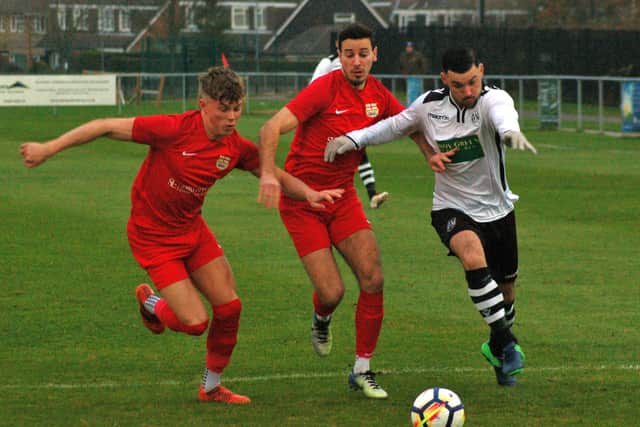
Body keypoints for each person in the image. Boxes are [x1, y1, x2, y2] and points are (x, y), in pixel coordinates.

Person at [20, 67, 343, 404]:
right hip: (153, 237)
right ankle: (150, 302)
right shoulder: (172, 129)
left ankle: (211, 387)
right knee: (194, 323)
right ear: (202, 103)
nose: (232, 117)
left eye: (237, 108)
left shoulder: (234, 147)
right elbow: (104, 126)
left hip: (192, 231)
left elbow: (272, 172)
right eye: (224, 109)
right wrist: (48, 148)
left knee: (230, 307)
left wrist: (309, 193)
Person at [325, 47, 537, 386]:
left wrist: (510, 132)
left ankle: (497, 345)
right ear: (444, 80)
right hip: (451, 207)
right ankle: (509, 343)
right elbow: (392, 126)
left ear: (481, 71)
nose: (467, 91)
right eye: (458, 85)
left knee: (507, 291)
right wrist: (353, 138)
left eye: (472, 82)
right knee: (471, 255)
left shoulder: (492, 99)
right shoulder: (429, 106)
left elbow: (503, 114)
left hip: (498, 212)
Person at [257, 23, 411, 399]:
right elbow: (271, 126)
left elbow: (412, 124)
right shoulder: (323, 89)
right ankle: (321, 319)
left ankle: (362, 369)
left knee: (373, 279)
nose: (356, 62)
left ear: (375, 54)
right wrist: (267, 174)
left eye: (363, 54)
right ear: (338, 57)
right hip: (303, 202)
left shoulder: (380, 95)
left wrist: (434, 154)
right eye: (348, 54)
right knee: (332, 292)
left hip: (343, 199)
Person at [311, 53, 389, 209]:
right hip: (330, 118)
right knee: (331, 159)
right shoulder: (328, 61)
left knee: (358, 152)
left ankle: (372, 194)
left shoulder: (355, 63)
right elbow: (314, 84)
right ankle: (317, 194)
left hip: (350, 115)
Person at [399, 41, 428, 105]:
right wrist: (404, 74)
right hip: (408, 78)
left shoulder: (418, 55)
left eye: (410, 47)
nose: (409, 48)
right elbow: (401, 66)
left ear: (412, 48)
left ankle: (419, 107)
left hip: (417, 78)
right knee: (410, 95)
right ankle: (412, 108)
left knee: (418, 94)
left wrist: (421, 75)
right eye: (407, 47)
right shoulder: (403, 56)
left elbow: (423, 65)